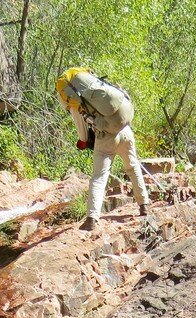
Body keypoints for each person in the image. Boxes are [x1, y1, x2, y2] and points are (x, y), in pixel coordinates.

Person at [56, 68, 150, 232]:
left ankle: (92, 218)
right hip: (125, 129)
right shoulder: (97, 85)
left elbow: (82, 131)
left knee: (99, 177)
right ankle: (144, 206)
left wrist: (84, 141)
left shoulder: (75, 100)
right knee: (133, 167)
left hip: (106, 135)